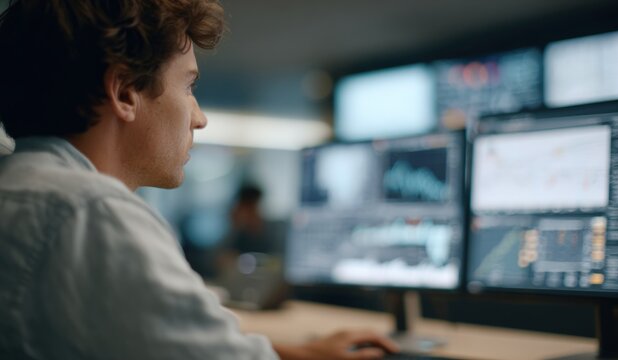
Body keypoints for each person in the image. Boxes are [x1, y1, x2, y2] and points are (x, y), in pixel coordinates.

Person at [0, 1, 398, 359]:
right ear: (124, 93)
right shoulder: (92, 212)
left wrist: (299, 352)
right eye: (189, 86)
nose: (199, 117)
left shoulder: (21, 188)